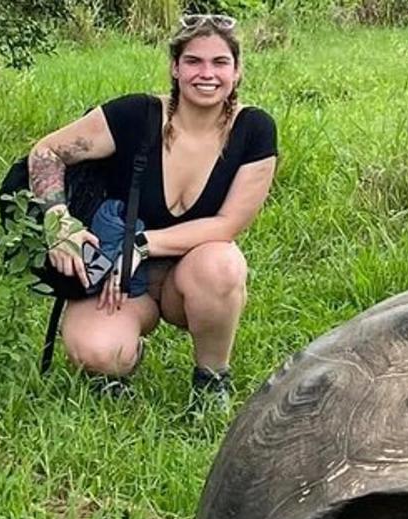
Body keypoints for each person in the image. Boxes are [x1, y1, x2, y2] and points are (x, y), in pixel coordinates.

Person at [26, 14, 277, 405]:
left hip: (189, 273)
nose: (206, 73)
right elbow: (46, 151)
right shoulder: (134, 115)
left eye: (220, 62)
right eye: (193, 61)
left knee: (223, 264)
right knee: (95, 351)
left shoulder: (254, 130)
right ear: (175, 68)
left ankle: (211, 379)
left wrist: (140, 244)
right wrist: (58, 219)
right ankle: (121, 361)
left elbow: (227, 224)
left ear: (237, 70)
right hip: (117, 275)